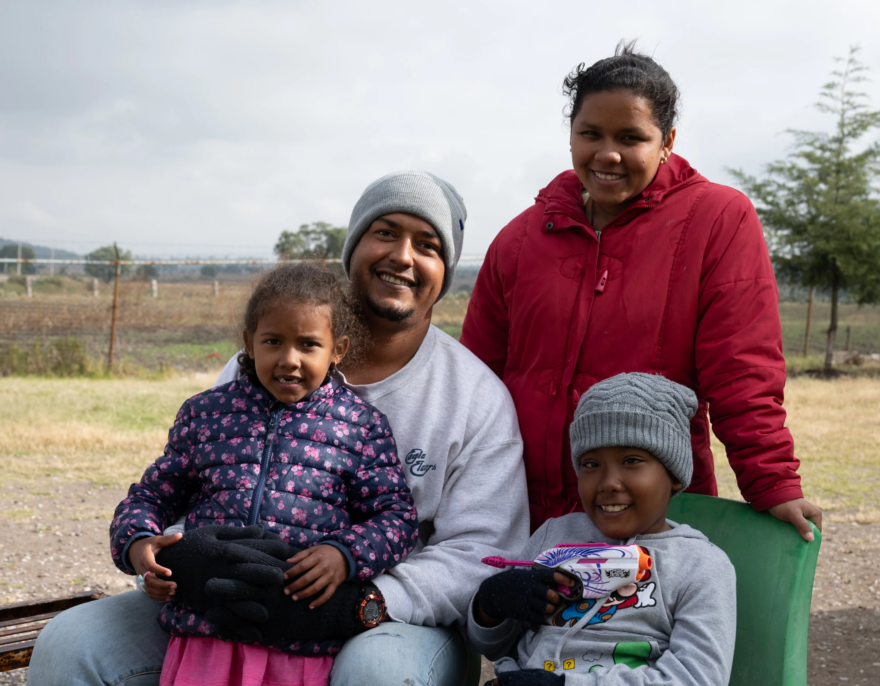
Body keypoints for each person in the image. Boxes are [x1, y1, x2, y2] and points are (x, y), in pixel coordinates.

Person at [28, 170, 530, 686]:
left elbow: (479, 552)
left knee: (377, 674)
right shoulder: (246, 377)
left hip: (386, 617)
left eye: (427, 244)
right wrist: (196, 561)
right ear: (353, 246)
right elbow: (187, 490)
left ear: (445, 270)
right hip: (222, 607)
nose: (402, 255)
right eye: (385, 232)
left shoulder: (474, 396)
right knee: (71, 644)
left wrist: (364, 600)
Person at [460, 42, 823, 539]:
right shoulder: (521, 239)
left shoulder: (718, 221)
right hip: (524, 513)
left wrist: (773, 482)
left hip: (652, 517)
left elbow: (742, 369)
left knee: (640, 617)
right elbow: (476, 384)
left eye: (631, 137)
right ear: (570, 135)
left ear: (667, 140)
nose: (607, 154)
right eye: (590, 134)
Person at [108, 262, 418, 686]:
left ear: (337, 350)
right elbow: (150, 496)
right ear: (249, 343)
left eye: (309, 344)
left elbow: (396, 518)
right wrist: (139, 547)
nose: (289, 360)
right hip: (204, 636)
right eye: (273, 341)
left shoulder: (361, 427)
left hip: (297, 642)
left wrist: (343, 556)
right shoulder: (205, 414)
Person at [468, 373, 737, 685]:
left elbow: (698, 679)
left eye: (632, 460)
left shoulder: (700, 566)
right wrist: (490, 605)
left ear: (674, 474)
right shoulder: (553, 536)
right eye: (591, 464)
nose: (608, 482)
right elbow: (494, 645)